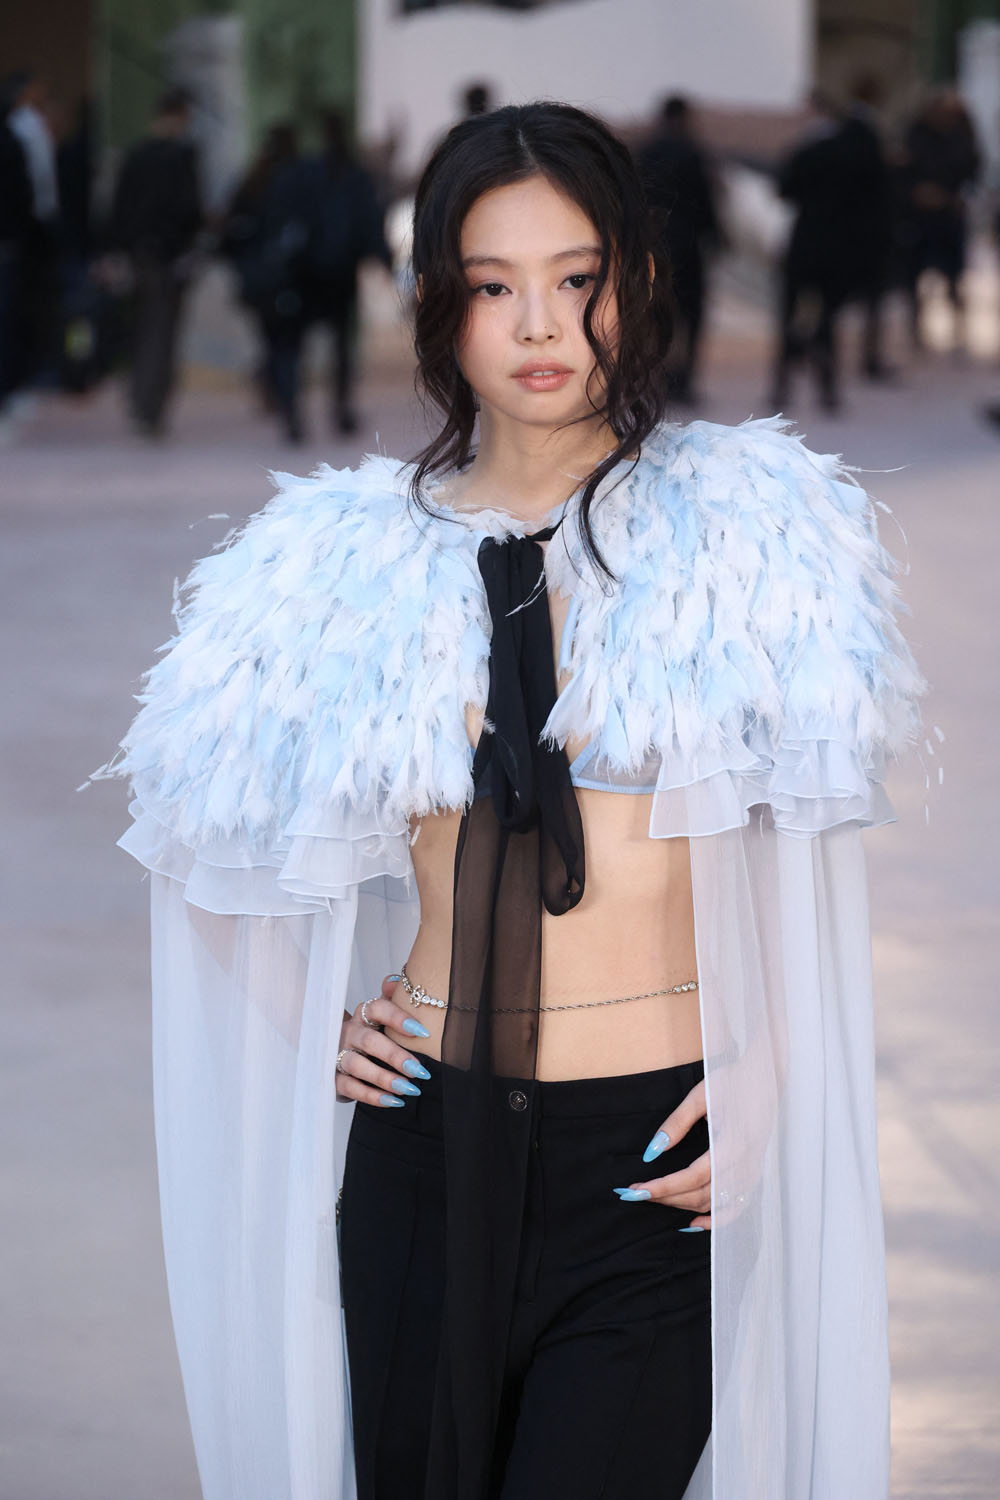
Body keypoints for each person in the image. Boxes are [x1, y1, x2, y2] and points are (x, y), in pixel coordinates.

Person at [101, 102, 922, 1500]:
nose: (540, 325)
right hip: (422, 1152)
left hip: (653, 1164)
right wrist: (320, 1031)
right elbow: (195, 835)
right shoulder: (338, 561)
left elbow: (793, 853)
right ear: (439, 301)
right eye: (493, 286)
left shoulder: (749, 533)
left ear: (636, 282)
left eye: (577, 278)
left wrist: (771, 1072)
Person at [110, 87, 203, 436]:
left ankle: (140, 399)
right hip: (167, 256)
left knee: (141, 328)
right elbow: (189, 208)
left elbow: (117, 207)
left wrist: (117, 248)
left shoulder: (136, 155)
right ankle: (150, 407)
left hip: (138, 253)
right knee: (161, 333)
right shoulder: (181, 156)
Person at [303, 108, 393, 436]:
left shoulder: (311, 173)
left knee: (304, 340)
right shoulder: (354, 175)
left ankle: (297, 409)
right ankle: (340, 408)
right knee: (341, 343)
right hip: (341, 270)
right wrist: (382, 258)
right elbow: (369, 219)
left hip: (311, 269)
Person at [770, 90, 858, 412]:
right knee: (828, 319)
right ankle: (828, 387)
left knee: (790, 314)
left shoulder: (804, 151)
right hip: (838, 243)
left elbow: (784, 190)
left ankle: (782, 384)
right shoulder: (849, 152)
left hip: (805, 239)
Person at [638, 94, 723, 403]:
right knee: (691, 315)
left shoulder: (647, 150)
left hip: (653, 242)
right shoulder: (693, 151)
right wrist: (716, 237)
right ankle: (684, 380)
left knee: (655, 314)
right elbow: (705, 200)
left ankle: (655, 379)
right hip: (688, 244)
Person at [899, 88, 981, 353]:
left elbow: (972, 172)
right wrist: (918, 193)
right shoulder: (918, 134)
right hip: (921, 218)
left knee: (954, 278)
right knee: (916, 277)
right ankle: (917, 330)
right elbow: (904, 172)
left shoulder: (961, 136)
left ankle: (959, 330)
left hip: (949, 216)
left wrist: (951, 197)